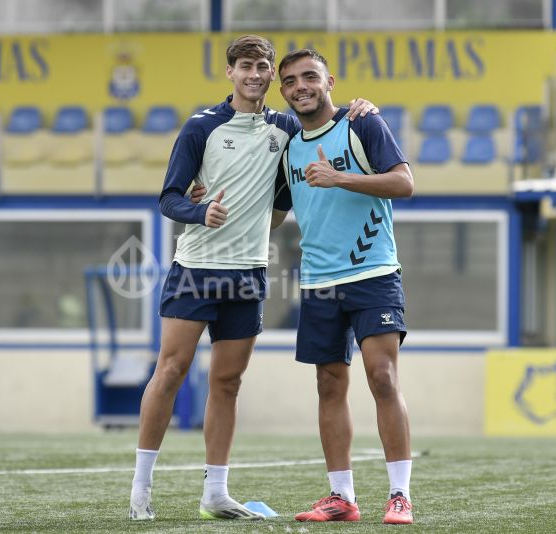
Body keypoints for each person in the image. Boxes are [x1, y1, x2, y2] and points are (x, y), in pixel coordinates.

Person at [129, 35, 378, 521]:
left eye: (263, 66)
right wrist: (201, 212)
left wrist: (357, 108)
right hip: (196, 269)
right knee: (171, 371)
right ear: (230, 73)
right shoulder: (201, 127)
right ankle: (141, 489)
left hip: (249, 273)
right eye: (246, 65)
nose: (255, 74)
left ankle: (215, 493)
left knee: (227, 382)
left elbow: (320, 125)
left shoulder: (284, 128)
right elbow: (169, 198)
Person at [274, 49, 416, 525]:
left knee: (382, 377)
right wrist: (206, 202)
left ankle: (399, 494)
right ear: (284, 91)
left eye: (309, 76)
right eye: (291, 80)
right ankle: (341, 498)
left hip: (373, 272)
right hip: (318, 281)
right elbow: (272, 217)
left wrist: (340, 178)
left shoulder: (363, 124)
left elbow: (403, 183)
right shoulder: (288, 145)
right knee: (329, 384)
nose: (301, 86)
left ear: (328, 80)